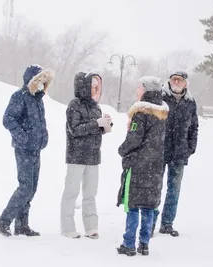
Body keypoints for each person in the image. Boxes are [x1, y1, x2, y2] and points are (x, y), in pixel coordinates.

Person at [0, 64, 55, 237]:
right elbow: (8, 119)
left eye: (45, 81)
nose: (43, 84)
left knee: (32, 188)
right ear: (33, 81)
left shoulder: (38, 99)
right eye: (40, 81)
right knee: (25, 188)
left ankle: (22, 225)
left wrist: (43, 137)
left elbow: (39, 122)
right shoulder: (19, 96)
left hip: (36, 150)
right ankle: (4, 221)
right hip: (24, 150)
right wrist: (24, 138)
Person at [116, 76, 169, 256]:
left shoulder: (141, 113)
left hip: (138, 166)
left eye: (139, 87)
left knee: (133, 206)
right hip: (154, 168)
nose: (137, 89)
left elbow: (134, 139)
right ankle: (144, 244)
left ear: (146, 90)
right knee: (148, 207)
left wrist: (122, 150)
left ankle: (128, 243)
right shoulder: (161, 114)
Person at [60, 72, 112, 239]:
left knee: (90, 193)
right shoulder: (73, 105)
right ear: (83, 87)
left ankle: (91, 227)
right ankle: (67, 227)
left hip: (93, 156)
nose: (95, 90)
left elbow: (94, 130)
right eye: (92, 86)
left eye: (97, 87)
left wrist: (105, 126)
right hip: (76, 156)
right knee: (71, 192)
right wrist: (96, 123)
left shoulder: (96, 107)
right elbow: (75, 130)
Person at [152, 71, 199, 237]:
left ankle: (167, 223)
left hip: (179, 154)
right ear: (169, 82)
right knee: (155, 188)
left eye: (180, 80)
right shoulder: (161, 98)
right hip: (160, 150)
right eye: (174, 79)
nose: (176, 82)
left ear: (186, 83)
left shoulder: (190, 103)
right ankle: (150, 223)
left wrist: (190, 148)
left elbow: (194, 127)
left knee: (174, 190)